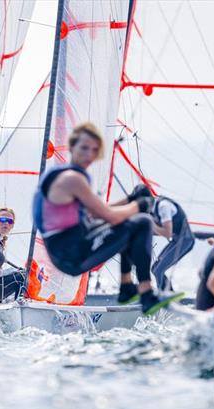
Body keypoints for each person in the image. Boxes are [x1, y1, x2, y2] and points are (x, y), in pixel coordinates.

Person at [31, 122, 175, 314]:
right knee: (143, 221)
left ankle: (126, 287)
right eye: (84, 148)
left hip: (70, 247)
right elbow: (110, 216)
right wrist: (140, 205)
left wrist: (131, 199)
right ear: (72, 147)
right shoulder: (72, 179)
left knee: (130, 222)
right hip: (70, 254)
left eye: (94, 150)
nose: (89, 154)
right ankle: (146, 293)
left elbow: (94, 213)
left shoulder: (66, 176)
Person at [130, 185, 195, 292]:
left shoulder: (163, 206)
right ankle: (170, 295)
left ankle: (161, 298)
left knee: (159, 270)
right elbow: (160, 231)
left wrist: (149, 223)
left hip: (185, 241)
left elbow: (167, 233)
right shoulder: (152, 209)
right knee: (155, 269)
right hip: (176, 240)